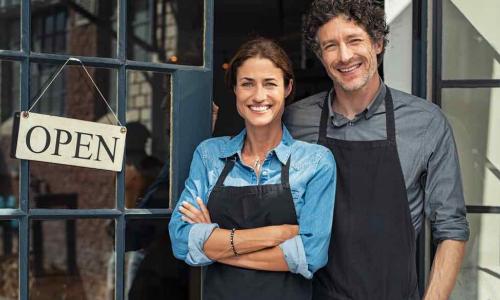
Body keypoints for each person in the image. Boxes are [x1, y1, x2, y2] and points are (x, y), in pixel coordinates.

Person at [283, 1, 469, 299]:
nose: (344, 56)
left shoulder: (425, 123)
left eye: (354, 40)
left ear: (378, 43)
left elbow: (452, 229)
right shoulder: (295, 120)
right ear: (320, 55)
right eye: (331, 45)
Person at [169, 37, 336, 300]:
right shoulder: (210, 155)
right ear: (235, 89)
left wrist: (216, 247)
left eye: (270, 84)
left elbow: (311, 254)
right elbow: (180, 239)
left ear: (287, 87)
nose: (259, 96)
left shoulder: (315, 162)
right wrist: (278, 234)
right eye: (247, 84)